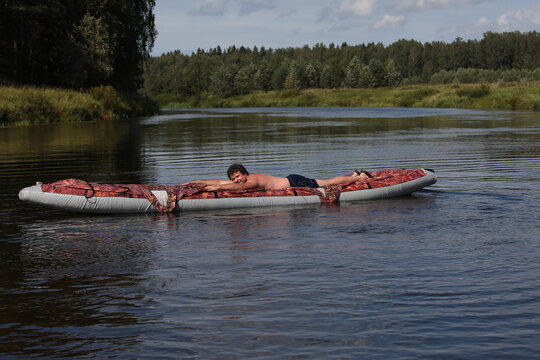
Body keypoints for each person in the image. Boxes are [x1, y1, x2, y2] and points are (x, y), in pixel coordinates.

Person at [187, 163, 372, 191]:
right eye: (233, 178)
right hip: (289, 180)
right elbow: (220, 181)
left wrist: (220, 188)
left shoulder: (252, 180)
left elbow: (240, 187)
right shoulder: (242, 179)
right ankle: (355, 175)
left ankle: (358, 177)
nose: (235, 180)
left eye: (237, 176)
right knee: (326, 181)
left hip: (294, 181)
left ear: (244, 174)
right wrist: (198, 181)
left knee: (328, 183)